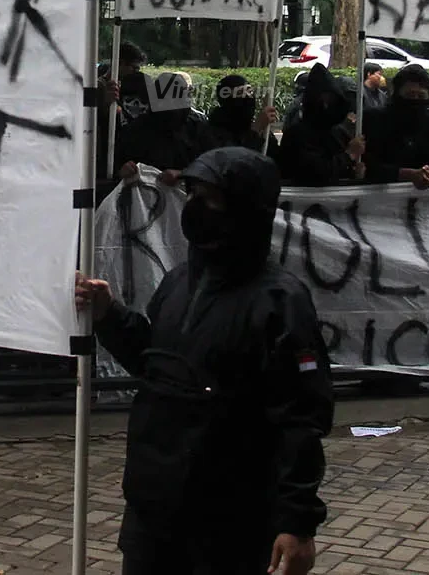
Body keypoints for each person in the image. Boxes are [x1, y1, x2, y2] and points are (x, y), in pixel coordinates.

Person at [76, 147, 333, 575]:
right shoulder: (179, 283)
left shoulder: (279, 301)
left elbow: (301, 418)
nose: (195, 208)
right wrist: (110, 314)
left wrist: (297, 522)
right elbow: (155, 362)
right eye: (192, 194)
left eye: (211, 198)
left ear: (246, 209)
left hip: (229, 519)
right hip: (154, 506)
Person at [115, 72, 218, 184]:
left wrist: (182, 174)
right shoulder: (135, 130)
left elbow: (212, 166)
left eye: (183, 96)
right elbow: (118, 164)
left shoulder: (198, 128)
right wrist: (124, 170)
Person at [362, 64, 429, 188]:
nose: (415, 100)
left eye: (421, 96)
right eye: (410, 95)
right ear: (397, 93)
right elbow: (367, 165)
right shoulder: (374, 119)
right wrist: (405, 174)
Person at [279, 64, 365, 186]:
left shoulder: (339, 133)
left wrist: (356, 173)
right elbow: (313, 171)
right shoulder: (297, 134)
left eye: (332, 100)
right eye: (324, 100)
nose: (327, 104)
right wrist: (348, 156)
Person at [207, 74, 279, 152]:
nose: (248, 97)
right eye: (240, 92)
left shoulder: (248, 124)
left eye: (250, 91)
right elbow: (235, 159)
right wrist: (256, 130)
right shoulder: (214, 131)